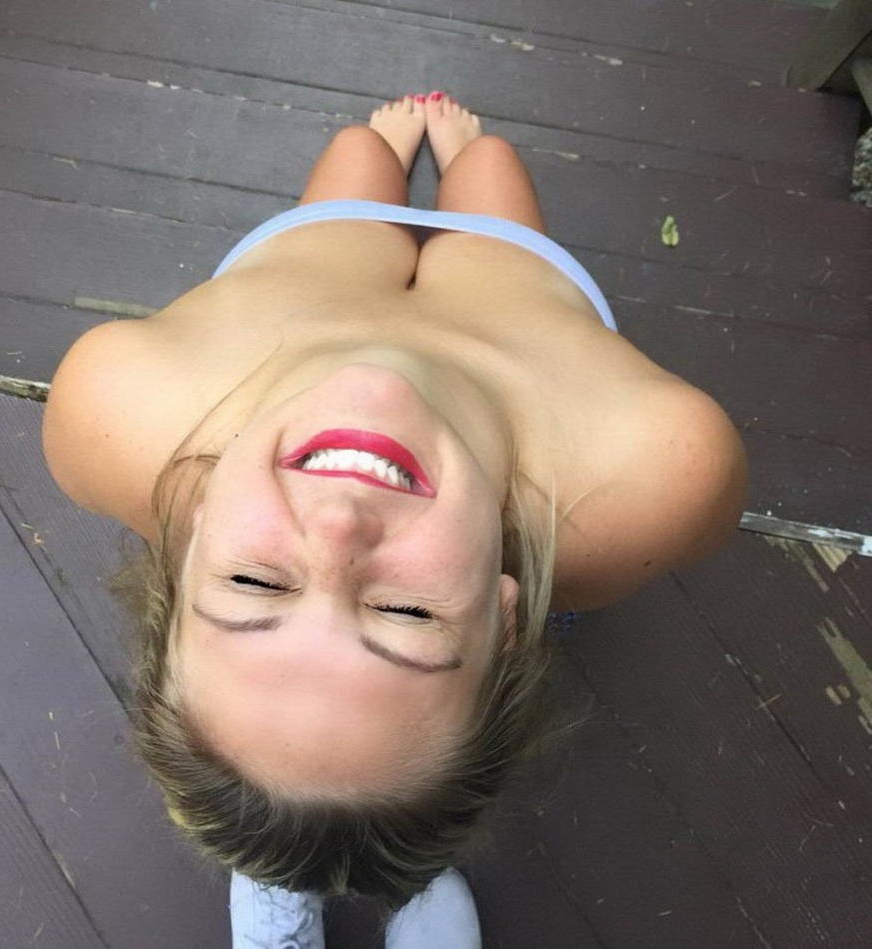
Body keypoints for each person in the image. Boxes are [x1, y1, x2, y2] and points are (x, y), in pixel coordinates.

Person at [42, 91, 749, 947]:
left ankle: (284, 869)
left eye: (254, 580)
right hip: (510, 283)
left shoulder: (115, 404)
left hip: (319, 252)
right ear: (508, 621)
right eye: (405, 610)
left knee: (359, 151)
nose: (339, 523)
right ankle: (294, 860)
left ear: (186, 539)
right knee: (487, 165)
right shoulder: (644, 474)